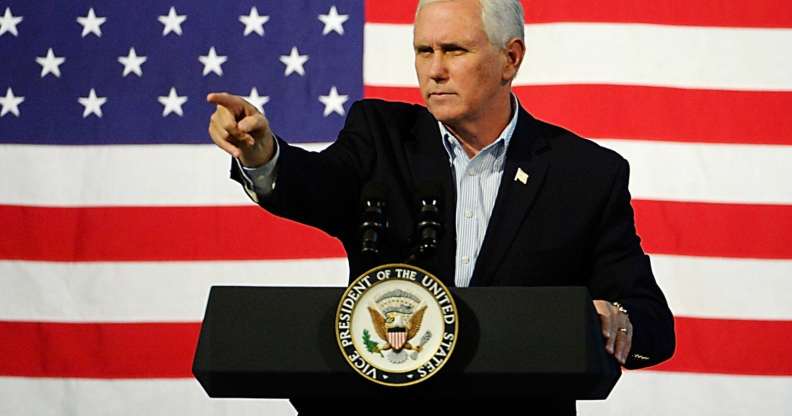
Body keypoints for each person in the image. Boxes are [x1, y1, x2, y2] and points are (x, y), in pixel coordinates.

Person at [207, 0, 675, 413]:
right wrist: (263, 155)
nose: (434, 69)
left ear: (510, 59)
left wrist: (618, 319)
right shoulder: (380, 137)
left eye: (454, 50)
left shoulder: (586, 173)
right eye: (423, 51)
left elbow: (651, 320)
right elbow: (315, 186)